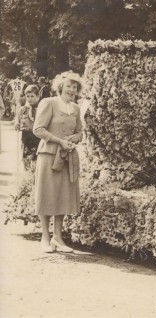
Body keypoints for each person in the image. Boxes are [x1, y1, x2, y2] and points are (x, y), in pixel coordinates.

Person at [33, 71, 84, 253]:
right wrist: (60, 141)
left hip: (66, 156)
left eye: (75, 87)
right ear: (60, 87)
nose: (72, 90)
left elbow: (80, 131)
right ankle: (45, 237)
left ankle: (58, 238)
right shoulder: (49, 103)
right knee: (47, 194)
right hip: (48, 154)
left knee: (62, 195)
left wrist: (73, 140)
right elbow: (38, 129)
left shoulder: (76, 109)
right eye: (69, 86)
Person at [14, 85, 41, 170]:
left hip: (38, 137)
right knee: (26, 158)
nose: (30, 99)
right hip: (26, 137)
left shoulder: (41, 109)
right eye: (28, 96)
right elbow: (17, 120)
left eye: (32, 96)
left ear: (38, 96)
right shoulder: (22, 110)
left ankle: (36, 177)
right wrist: (16, 124)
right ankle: (27, 176)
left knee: (37, 159)